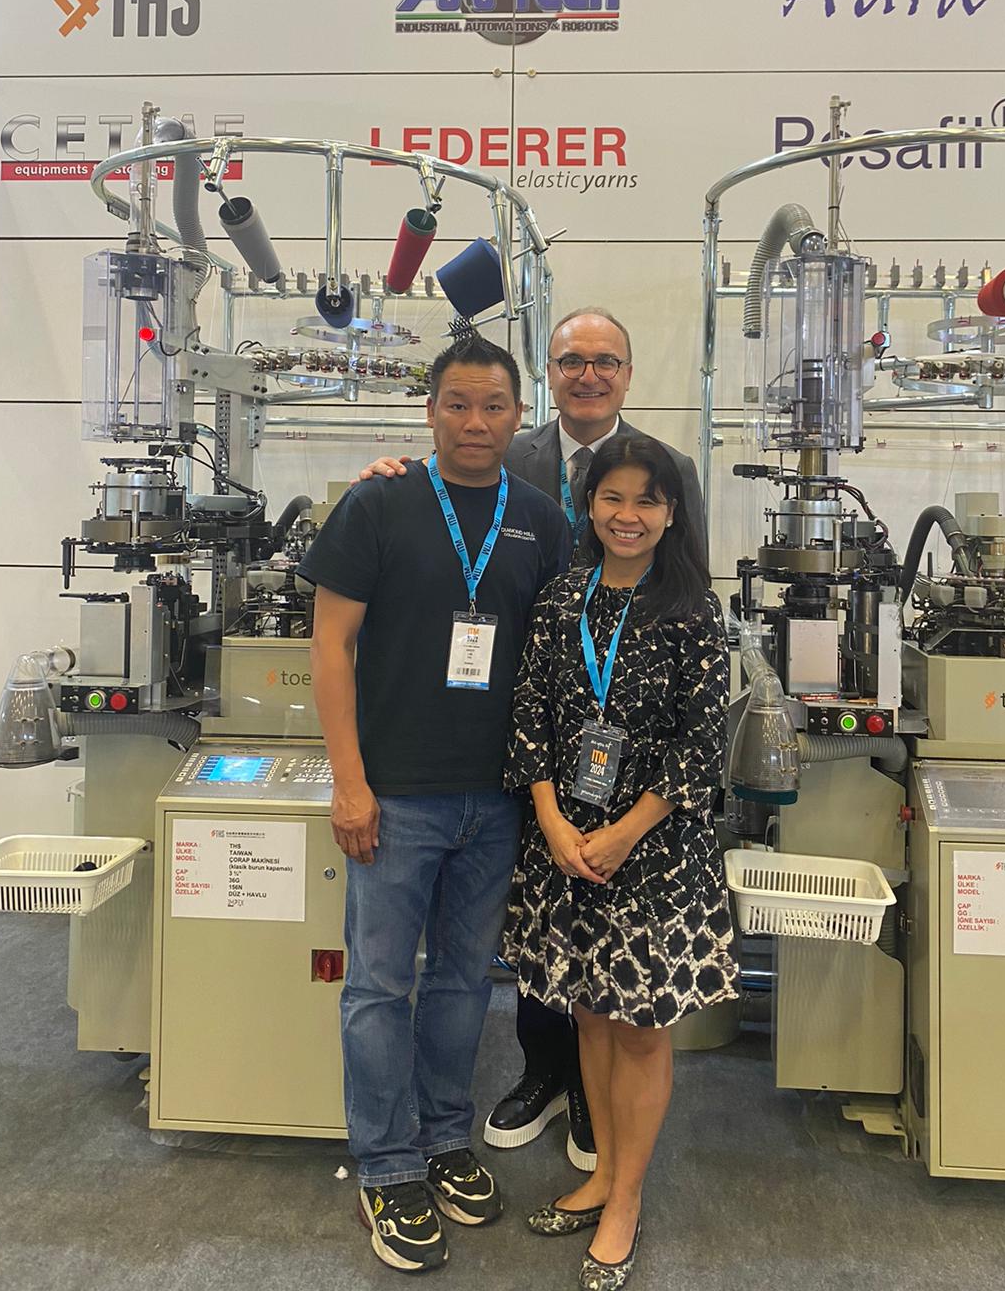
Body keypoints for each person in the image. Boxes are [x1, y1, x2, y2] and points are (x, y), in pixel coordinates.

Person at [360, 307, 707, 1173]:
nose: (589, 374)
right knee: (542, 936)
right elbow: (445, 495)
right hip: (533, 745)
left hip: (631, 760)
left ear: (627, 374)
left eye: (606, 360)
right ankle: (543, 1074)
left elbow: (685, 587)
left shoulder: (674, 471)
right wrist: (388, 474)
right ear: (546, 379)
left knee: (600, 965)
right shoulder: (503, 453)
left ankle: (598, 1105)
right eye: (571, 360)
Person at [301, 330, 571, 1274]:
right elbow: (330, 647)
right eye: (458, 404)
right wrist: (350, 782)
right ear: (430, 411)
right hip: (395, 795)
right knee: (380, 985)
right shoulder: (378, 504)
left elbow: (558, 657)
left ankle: (446, 1138)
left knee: (463, 983)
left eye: (494, 405)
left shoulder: (541, 519)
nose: (475, 422)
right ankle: (387, 1165)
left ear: (517, 415)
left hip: (495, 799)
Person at [504, 431, 739, 1291]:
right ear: (589, 506)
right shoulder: (562, 597)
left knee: (640, 1027)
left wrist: (624, 832)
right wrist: (551, 819)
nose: (628, 515)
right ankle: (603, 1171)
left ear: (672, 513)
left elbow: (701, 743)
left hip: (653, 853)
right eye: (613, 498)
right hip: (566, 846)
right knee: (590, 1016)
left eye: (647, 500)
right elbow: (529, 709)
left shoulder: (691, 609)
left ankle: (627, 1199)